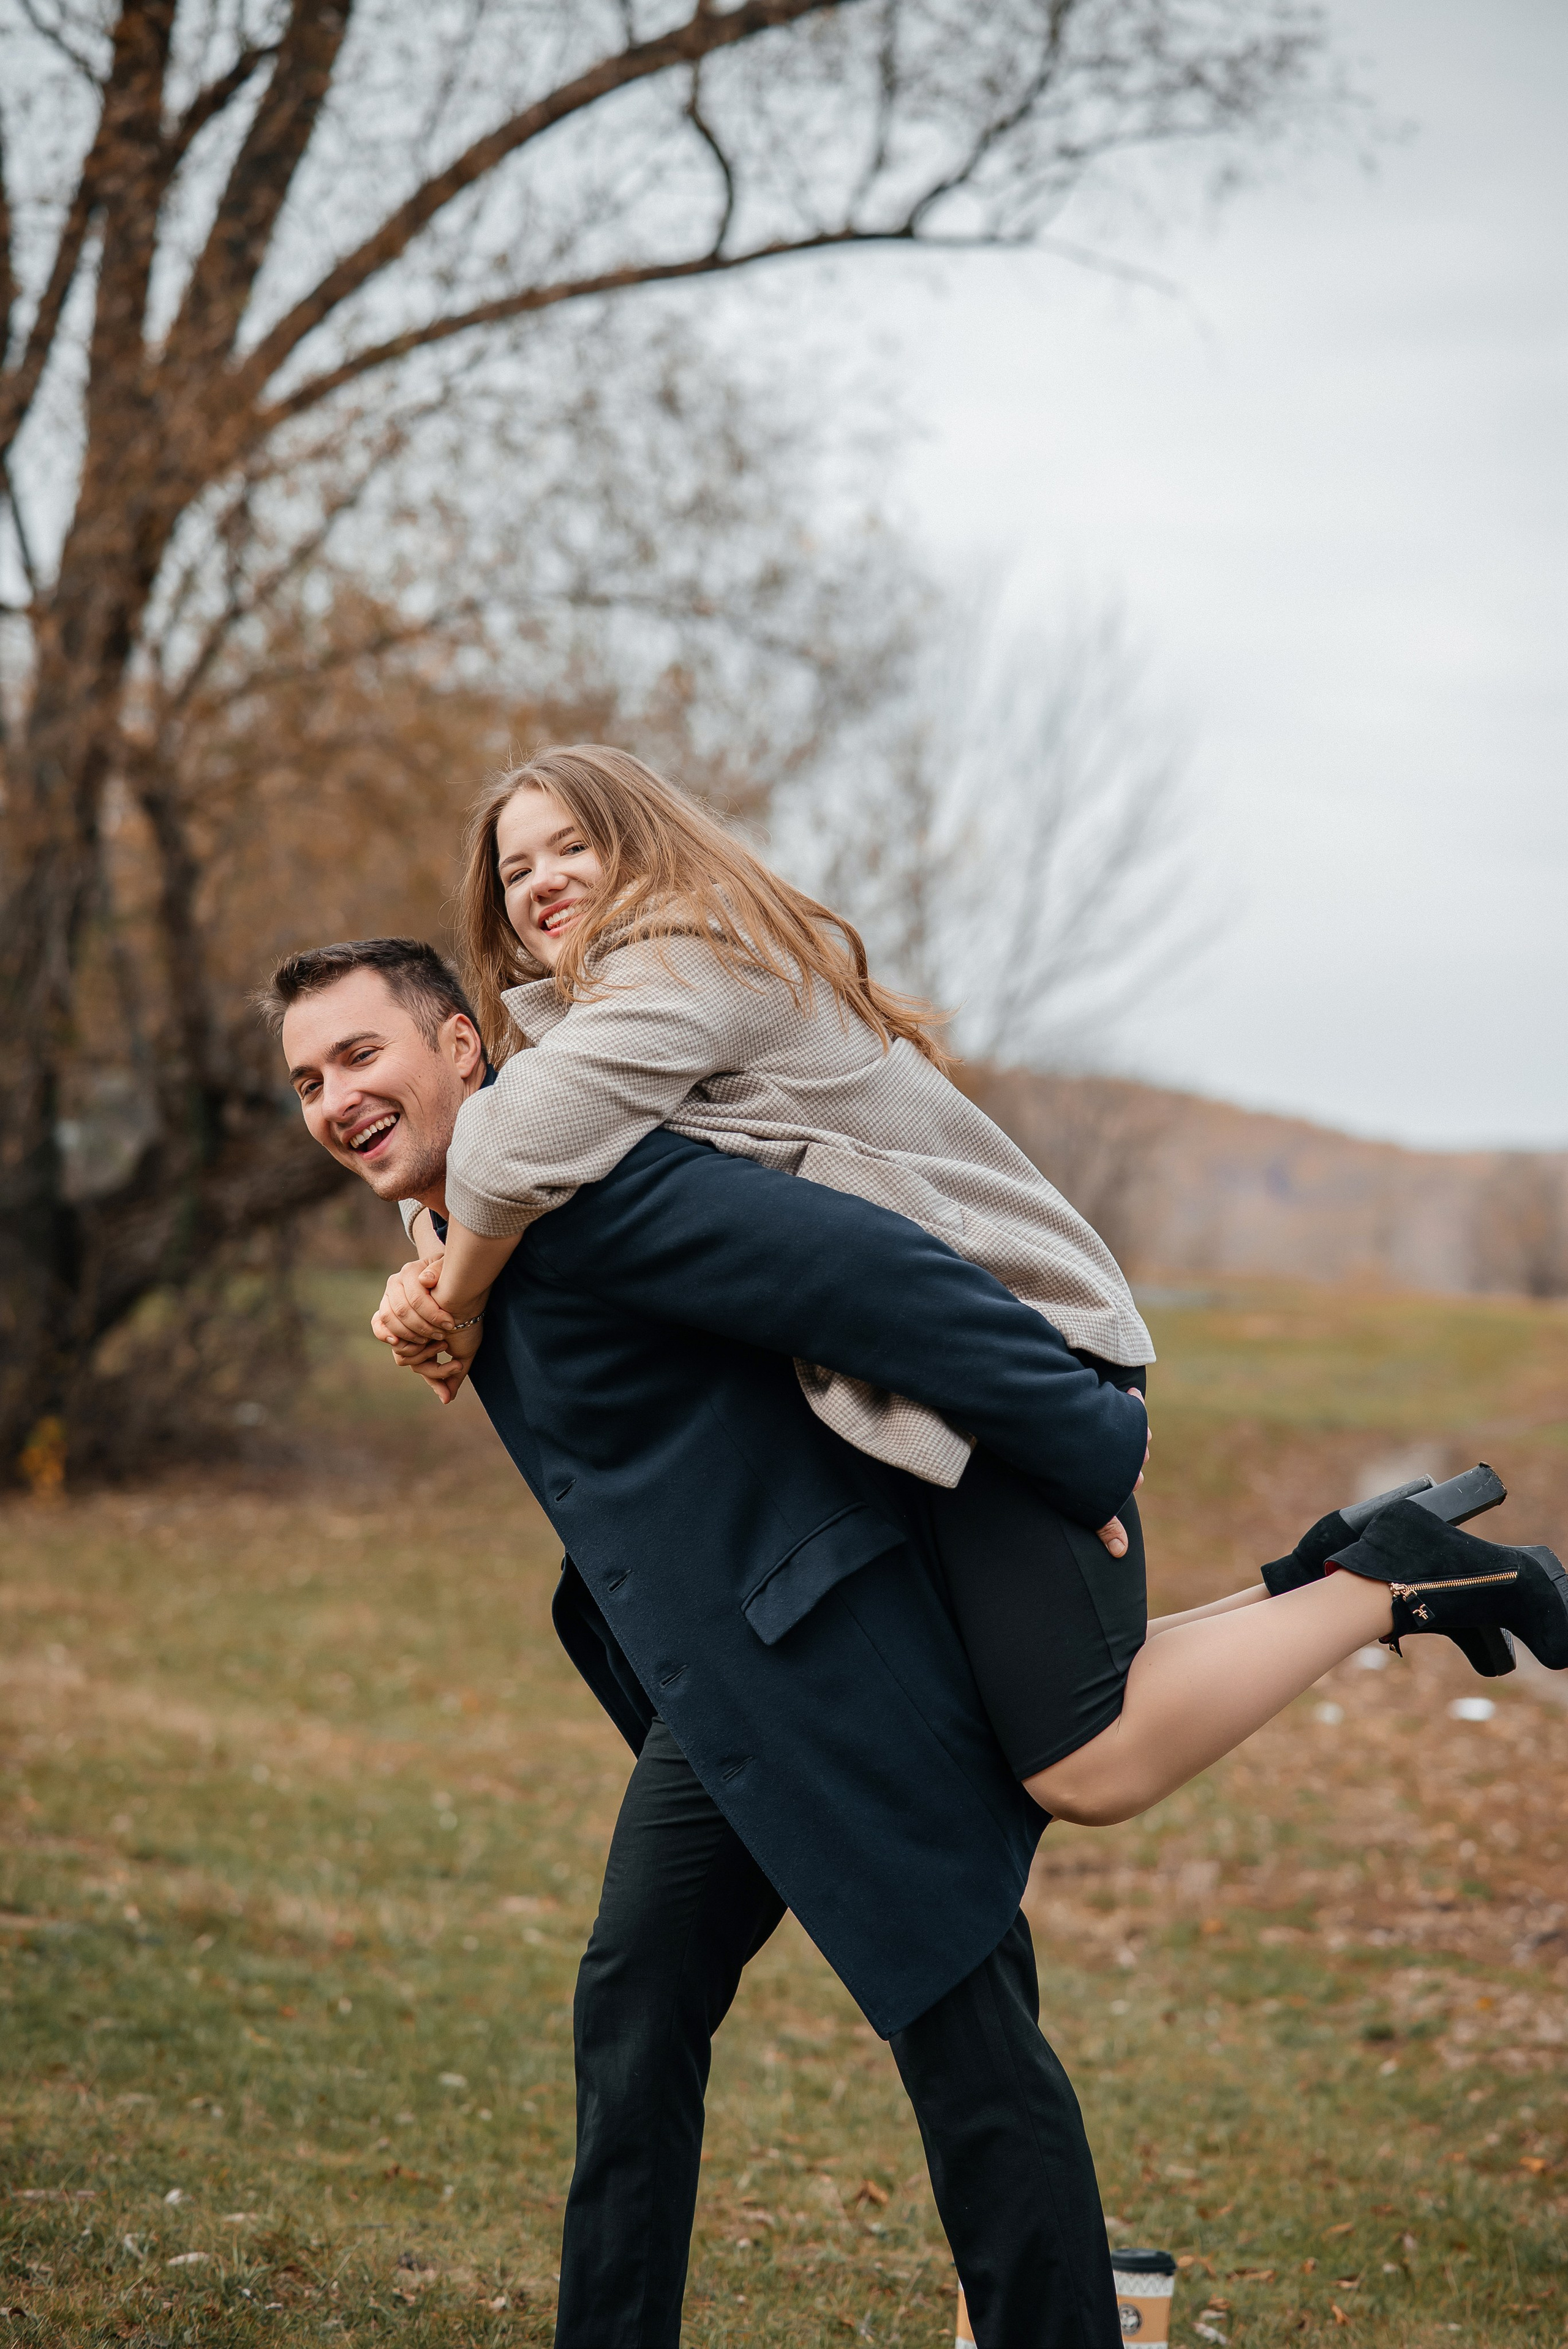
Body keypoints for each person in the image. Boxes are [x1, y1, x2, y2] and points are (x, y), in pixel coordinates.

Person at [264, 938, 1567, 2349]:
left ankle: (1065, 2321)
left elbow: (876, 1277)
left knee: (965, 2042)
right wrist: (435, 1268)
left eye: (359, 1056)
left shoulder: (604, 1191)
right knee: (638, 2008)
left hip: (838, 1663)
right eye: (305, 1079)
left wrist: (1080, 1451)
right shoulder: (486, 1223)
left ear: (464, 1046)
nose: (333, 1098)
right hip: (728, 1691)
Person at [369, 747, 1566, 1823]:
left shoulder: (677, 963)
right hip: (944, 1354)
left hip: (1008, 1342)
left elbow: (511, 1144)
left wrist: (455, 1296)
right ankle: (1351, 1573)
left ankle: (1391, 1581)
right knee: (1036, 1701)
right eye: (514, 867)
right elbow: (524, 1148)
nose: (539, 880)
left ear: (641, 843)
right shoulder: (626, 1003)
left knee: (1081, 1764)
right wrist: (435, 1267)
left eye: (570, 844)